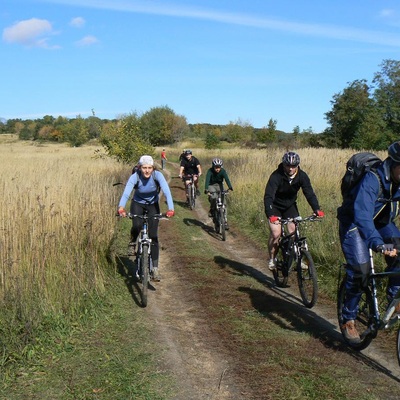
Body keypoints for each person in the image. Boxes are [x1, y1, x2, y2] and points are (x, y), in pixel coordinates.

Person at [337, 142, 400, 344]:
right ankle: (349, 318)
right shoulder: (372, 180)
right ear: (394, 164)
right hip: (354, 223)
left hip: (380, 221)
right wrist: (377, 243)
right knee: (361, 270)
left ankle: (394, 298)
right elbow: (362, 216)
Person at [264, 151, 324, 271]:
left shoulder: (302, 176)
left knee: (294, 232)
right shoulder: (276, 176)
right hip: (275, 207)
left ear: (297, 165)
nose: (291, 169)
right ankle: (272, 259)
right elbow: (268, 196)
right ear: (284, 164)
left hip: (290, 206)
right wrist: (270, 214)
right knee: (276, 233)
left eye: (293, 166)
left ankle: (298, 259)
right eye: (288, 166)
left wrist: (316, 209)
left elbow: (309, 193)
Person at [118, 155, 175, 281]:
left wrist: (171, 209)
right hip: (137, 203)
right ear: (139, 167)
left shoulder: (157, 175)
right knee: (136, 225)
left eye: (150, 168)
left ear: (153, 168)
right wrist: (121, 207)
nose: (147, 171)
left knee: (153, 236)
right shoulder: (135, 176)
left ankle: (154, 269)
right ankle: (133, 241)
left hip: (153, 205)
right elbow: (127, 193)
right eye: (144, 168)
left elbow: (166, 190)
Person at [204, 158, 233, 229]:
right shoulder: (210, 171)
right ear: (213, 167)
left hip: (220, 185)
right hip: (211, 185)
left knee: (224, 204)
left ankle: (225, 221)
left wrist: (230, 187)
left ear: (221, 167)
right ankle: (212, 209)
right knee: (213, 197)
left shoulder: (223, 171)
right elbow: (207, 180)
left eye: (219, 167)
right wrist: (206, 189)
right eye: (216, 167)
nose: (217, 169)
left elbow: (226, 179)